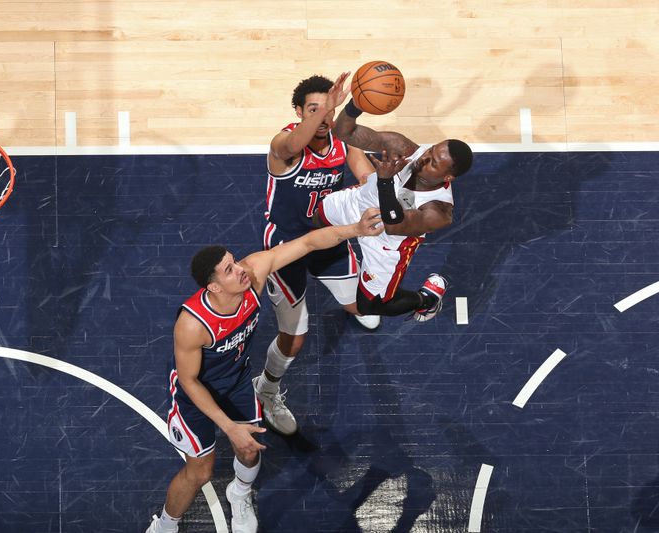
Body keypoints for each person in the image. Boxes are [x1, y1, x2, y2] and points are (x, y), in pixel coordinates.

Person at [146, 208, 383, 533]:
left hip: (239, 381)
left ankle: (239, 493)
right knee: (200, 473)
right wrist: (229, 426)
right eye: (229, 270)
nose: (241, 269)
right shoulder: (192, 325)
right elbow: (188, 380)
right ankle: (166, 525)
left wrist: (356, 228)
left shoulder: (254, 273)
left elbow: (309, 243)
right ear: (213, 287)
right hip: (196, 395)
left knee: (249, 449)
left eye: (235, 260)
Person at [253, 74, 381, 437]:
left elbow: (365, 175)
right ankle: (266, 390)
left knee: (363, 304)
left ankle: (351, 305)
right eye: (314, 109)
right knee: (294, 339)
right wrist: (327, 110)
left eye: (328, 109)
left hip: (328, 237)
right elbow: (293, 142)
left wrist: (379, 189)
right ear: (299, 111)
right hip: (286, 246)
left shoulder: (343, 141)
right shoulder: (283, 144)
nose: (325, 117)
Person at [313, 71, 474, 320]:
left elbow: (394, 225)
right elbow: (343, 133)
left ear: (447, 177)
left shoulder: (438, 211)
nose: (424, 159)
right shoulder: (405, 148)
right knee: (315, 219)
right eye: (430, 151)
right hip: (360, 203)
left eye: (434, 163)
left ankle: (426, 300)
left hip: (387, 243)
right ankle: (334, 259)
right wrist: (357, 103)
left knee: (370, 307)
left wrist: (386, 179)